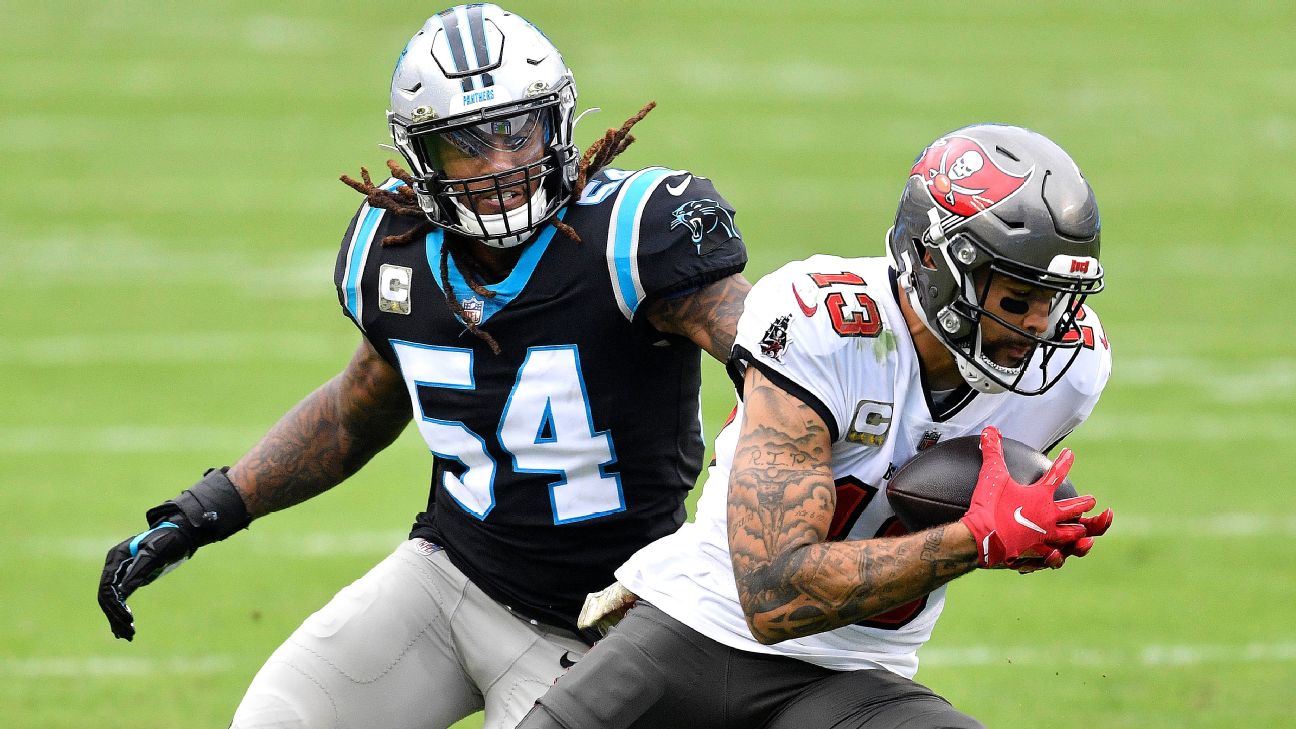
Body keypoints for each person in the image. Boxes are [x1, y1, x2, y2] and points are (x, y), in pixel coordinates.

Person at [96, 5, 750, 728]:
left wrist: (708, 554)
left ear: (557, 123)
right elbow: (356, 410)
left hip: (600, 626)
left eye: (515, 130)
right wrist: (202, 512)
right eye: (465, 144)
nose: (500, 164)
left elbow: (784, 377)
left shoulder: (633, 235)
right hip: (448, 577)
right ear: (421, 160)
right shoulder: (394, 249)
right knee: (278, 715)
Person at [518, 123, 1114, 729]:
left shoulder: (1072, 372)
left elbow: (950, 497)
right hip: (690, 636)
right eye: (1016, 300)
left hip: (855, 677)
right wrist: (972, 540)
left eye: (1059, 299)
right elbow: (774, 597)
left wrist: (1020, 528)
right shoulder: (821, 322)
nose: (1041, 327)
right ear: (934, 264)